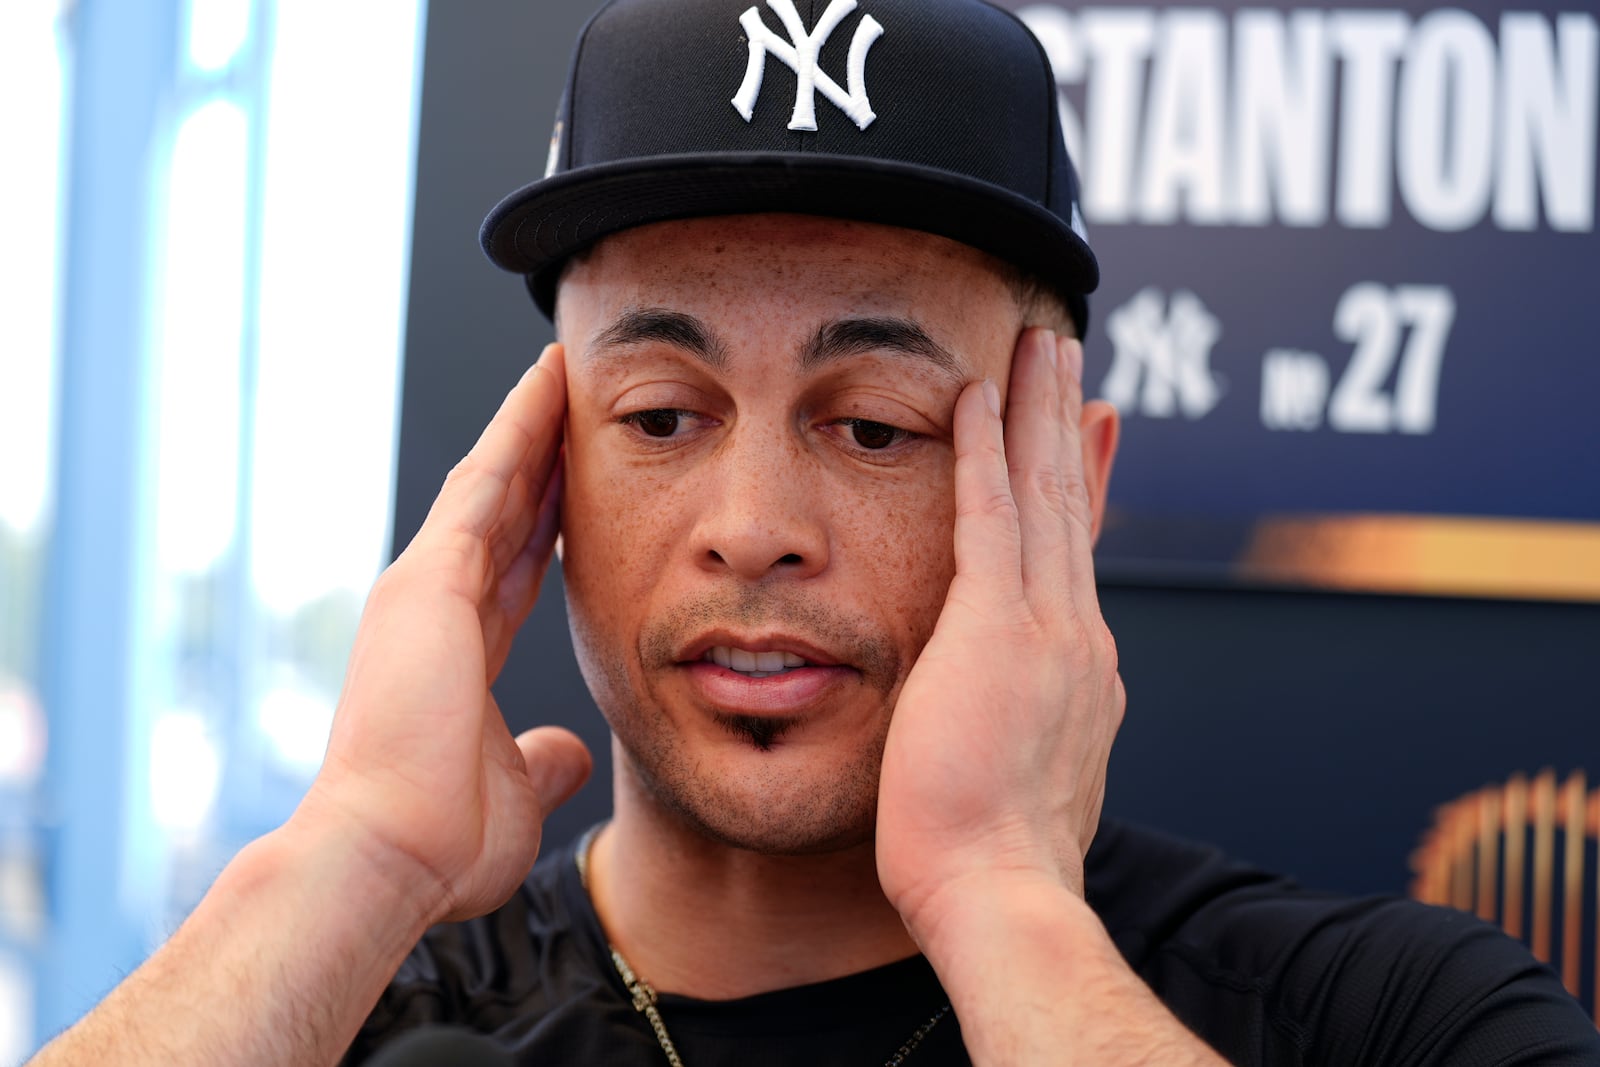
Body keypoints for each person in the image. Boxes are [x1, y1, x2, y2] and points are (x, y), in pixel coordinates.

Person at [29, 0, 1600, 1064]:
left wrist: (997, 892)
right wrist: (354, 858)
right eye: (659, 417)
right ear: (542, 465)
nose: (756, 529)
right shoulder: (331, 1007)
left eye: (873, 427)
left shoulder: (1388, 1021)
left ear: (1071, 478)